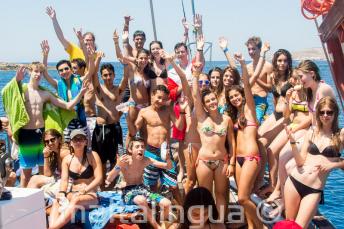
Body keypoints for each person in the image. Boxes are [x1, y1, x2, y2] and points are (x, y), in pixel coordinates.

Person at [3, 63, 87, 187]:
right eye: (35, 71)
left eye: (41, 72)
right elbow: (6, 92)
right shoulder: (23, 89)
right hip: (27, 135)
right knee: (26, 173)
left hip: (42, 135)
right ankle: (24, 203)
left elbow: (68, 106)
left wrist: (80, 93)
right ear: (30, 72)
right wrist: (16, 79)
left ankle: (41, 200)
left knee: (44, 172)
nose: (38, 74)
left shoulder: (45, 93)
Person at [284, 96, 344, 228]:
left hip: (314, 189)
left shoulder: (340, 135)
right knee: (289, 224)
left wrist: (334, 165)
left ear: (336, 113)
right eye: (322, 112)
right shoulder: (312, 131)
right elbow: (300, 162)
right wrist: (292, 142)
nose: (325, 115)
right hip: (294, 181)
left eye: (329, 112)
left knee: (299, 226)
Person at [226, 46, 268, 228]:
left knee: (242, 197)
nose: (235, 99)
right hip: (239, 160)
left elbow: (247, 85)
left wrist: (243, 64)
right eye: (231, 97)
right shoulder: (234, 117)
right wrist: (233, 161)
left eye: (237, 96)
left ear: (242, 96)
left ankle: (259, 226)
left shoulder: (250, 110)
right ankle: (251, 226)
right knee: (247, 195)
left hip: (251, 157)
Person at [126, 85, 187, 205]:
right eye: (159, 97)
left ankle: (184, 213)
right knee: (151, 187)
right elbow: (133, 132)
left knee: (173, 186)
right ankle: (155, 214)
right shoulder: (144, 112)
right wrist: (128, 118)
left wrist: (182, 111)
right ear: (152, 95)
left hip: (166, 152)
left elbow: (179, 126)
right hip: (150, 152)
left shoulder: (168, 110)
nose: (161, 101)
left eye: (164, 99)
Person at [191, 61, 235, 218]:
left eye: (213, 99)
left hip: (222, 162)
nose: (211, 102)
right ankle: (206, 222)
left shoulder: (227, 119)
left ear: (216, 99)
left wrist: (232, 163)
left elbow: (232, 143)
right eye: (208, 101)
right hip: (203, 161)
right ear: (204, 105)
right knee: (205, 196)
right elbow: (195, 95)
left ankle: (221, 222)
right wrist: (196, 75)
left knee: (222, 194)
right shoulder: (202, 118)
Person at [106, 137, 173, 229]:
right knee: (141, 200)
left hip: (144, 191)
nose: (140, 149)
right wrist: (118, 165)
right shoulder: (125, 161)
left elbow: (168, 167)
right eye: (137, 147)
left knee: (167, 203)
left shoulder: (146, 160)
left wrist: (168, 158)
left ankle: (161, 225)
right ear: (130, 150)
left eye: (142, 147)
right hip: (129, 193)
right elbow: (109, 178)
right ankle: (158, 227)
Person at [49, 129, 102, 229]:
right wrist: (62, 192)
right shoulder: (67, 159)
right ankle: (52, 227)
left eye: (81, 139)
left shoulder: (92, 156)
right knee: (56, 201)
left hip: (90, 194)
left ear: (86, 142)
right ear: (71, 143)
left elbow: (99, 179)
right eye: (75, 139)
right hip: (73, 193)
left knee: (76, 200)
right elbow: (64, 181)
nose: (78, 142)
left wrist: (85, 190)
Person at [257, 49, 293, 194]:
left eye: (285, 60)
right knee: (257, 139)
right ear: (275, 62)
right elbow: (275, 98)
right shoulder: (273, 77)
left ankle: (272, 184)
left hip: (287, 116)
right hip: (275, 114)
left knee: (267, 145)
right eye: (279, 60)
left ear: (288, 62)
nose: (282, 63)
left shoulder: (292, 78)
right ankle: (260, 178)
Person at [91, 62, 128, 189]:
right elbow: (93, 76)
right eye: (105, 75)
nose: (108, 77)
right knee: (100, 160)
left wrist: (125, 64)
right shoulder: (99, 90)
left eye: (110, 74)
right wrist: (95, 60)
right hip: (100, 130)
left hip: (115, 128)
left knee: (116, 159)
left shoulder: (118, 90)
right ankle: (101, 187)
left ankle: (111, 187)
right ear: (102, 76)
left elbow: (126, 78)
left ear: (114, 75)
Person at [245, 36, 273, 125]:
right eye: (249, 49)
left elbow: (270, 88)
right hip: (247, 100)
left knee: (254, 123)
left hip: (260, 101)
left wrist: (255, 77)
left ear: (260, 49)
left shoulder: (268, 66)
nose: (251, 52)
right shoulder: (247, 67)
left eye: (253, 49)